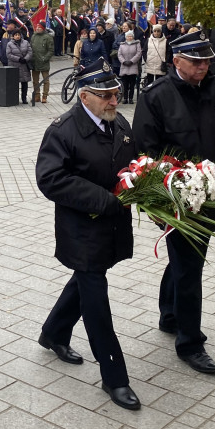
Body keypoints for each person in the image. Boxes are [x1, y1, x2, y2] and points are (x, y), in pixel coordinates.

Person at [132, 31, 215, 375]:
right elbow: (145, 153)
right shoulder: (156, 97)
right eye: (196, 61)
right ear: (176, 61)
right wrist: (163, 194)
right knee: (190, 266)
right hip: (175, 199)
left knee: (189, 259)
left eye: (207, 60)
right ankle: (190, 342)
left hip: (212, 195)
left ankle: (169, 314)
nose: (204, 66)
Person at [34, 59, 140, 410]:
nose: (114, 101)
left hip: (111, 226)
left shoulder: (118, 123)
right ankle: (115, 377)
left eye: (116, 93)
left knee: (86, 281)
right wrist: (104, 199)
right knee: (96, 299)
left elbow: (133, 163)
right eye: (107, 95)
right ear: (84, 96)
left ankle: (53, 333)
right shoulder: (63, 130)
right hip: (82, 229)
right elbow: (50, 178)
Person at [5, 27, 33, 104]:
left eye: (18, 35)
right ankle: (14, 98)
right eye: (16, 35)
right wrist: (18, 59)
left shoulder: (26, 42)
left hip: (24, 66)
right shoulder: (10, 44)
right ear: (13, 36)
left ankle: (24, 98)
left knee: (24, 83)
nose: (17, 36)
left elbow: (30, 52)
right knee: (14, 84)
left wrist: (25, 59)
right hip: (14, 66)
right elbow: (8, 54)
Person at [30, 21, 54, 104]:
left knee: (45, 80)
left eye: (39, 27)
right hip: (35, 62)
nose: (37, 29)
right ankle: (37, 96)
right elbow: (30, 48)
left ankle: (45, 96)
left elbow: (51, 50)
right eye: (37, 27)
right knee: (35, 81)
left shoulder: (48, 37)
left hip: (44, 62)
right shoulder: (33, 36)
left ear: (43, 28)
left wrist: (45, 58)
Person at [116, 30, 143, 104]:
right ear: (126, 37)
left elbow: (138, 53)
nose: (129, 37)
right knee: (125, 84)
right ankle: (125, 98)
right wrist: (124, 61)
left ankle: (130, 98)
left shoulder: (137, 44)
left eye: (131, 36)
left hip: (133, 66)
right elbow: (119, 54)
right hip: (124, 66)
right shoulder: (122, 45)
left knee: (132, 84)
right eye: (128, 36)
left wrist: (132, 61)